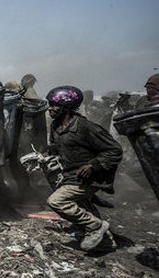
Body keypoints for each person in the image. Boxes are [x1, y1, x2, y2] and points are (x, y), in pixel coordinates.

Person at [45, 86, 122, 252]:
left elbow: (114, 150)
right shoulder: (56, 126)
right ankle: (106, 242)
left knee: (56, 201)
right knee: (85, 207)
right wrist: (47, 153)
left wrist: (92, 165)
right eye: (49, 104)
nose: (49, 108)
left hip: (88, 178)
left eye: (54, 105)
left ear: (66, 108)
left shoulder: (86, 127)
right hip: (70, 176)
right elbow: (58, 147)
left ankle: (95, 227)